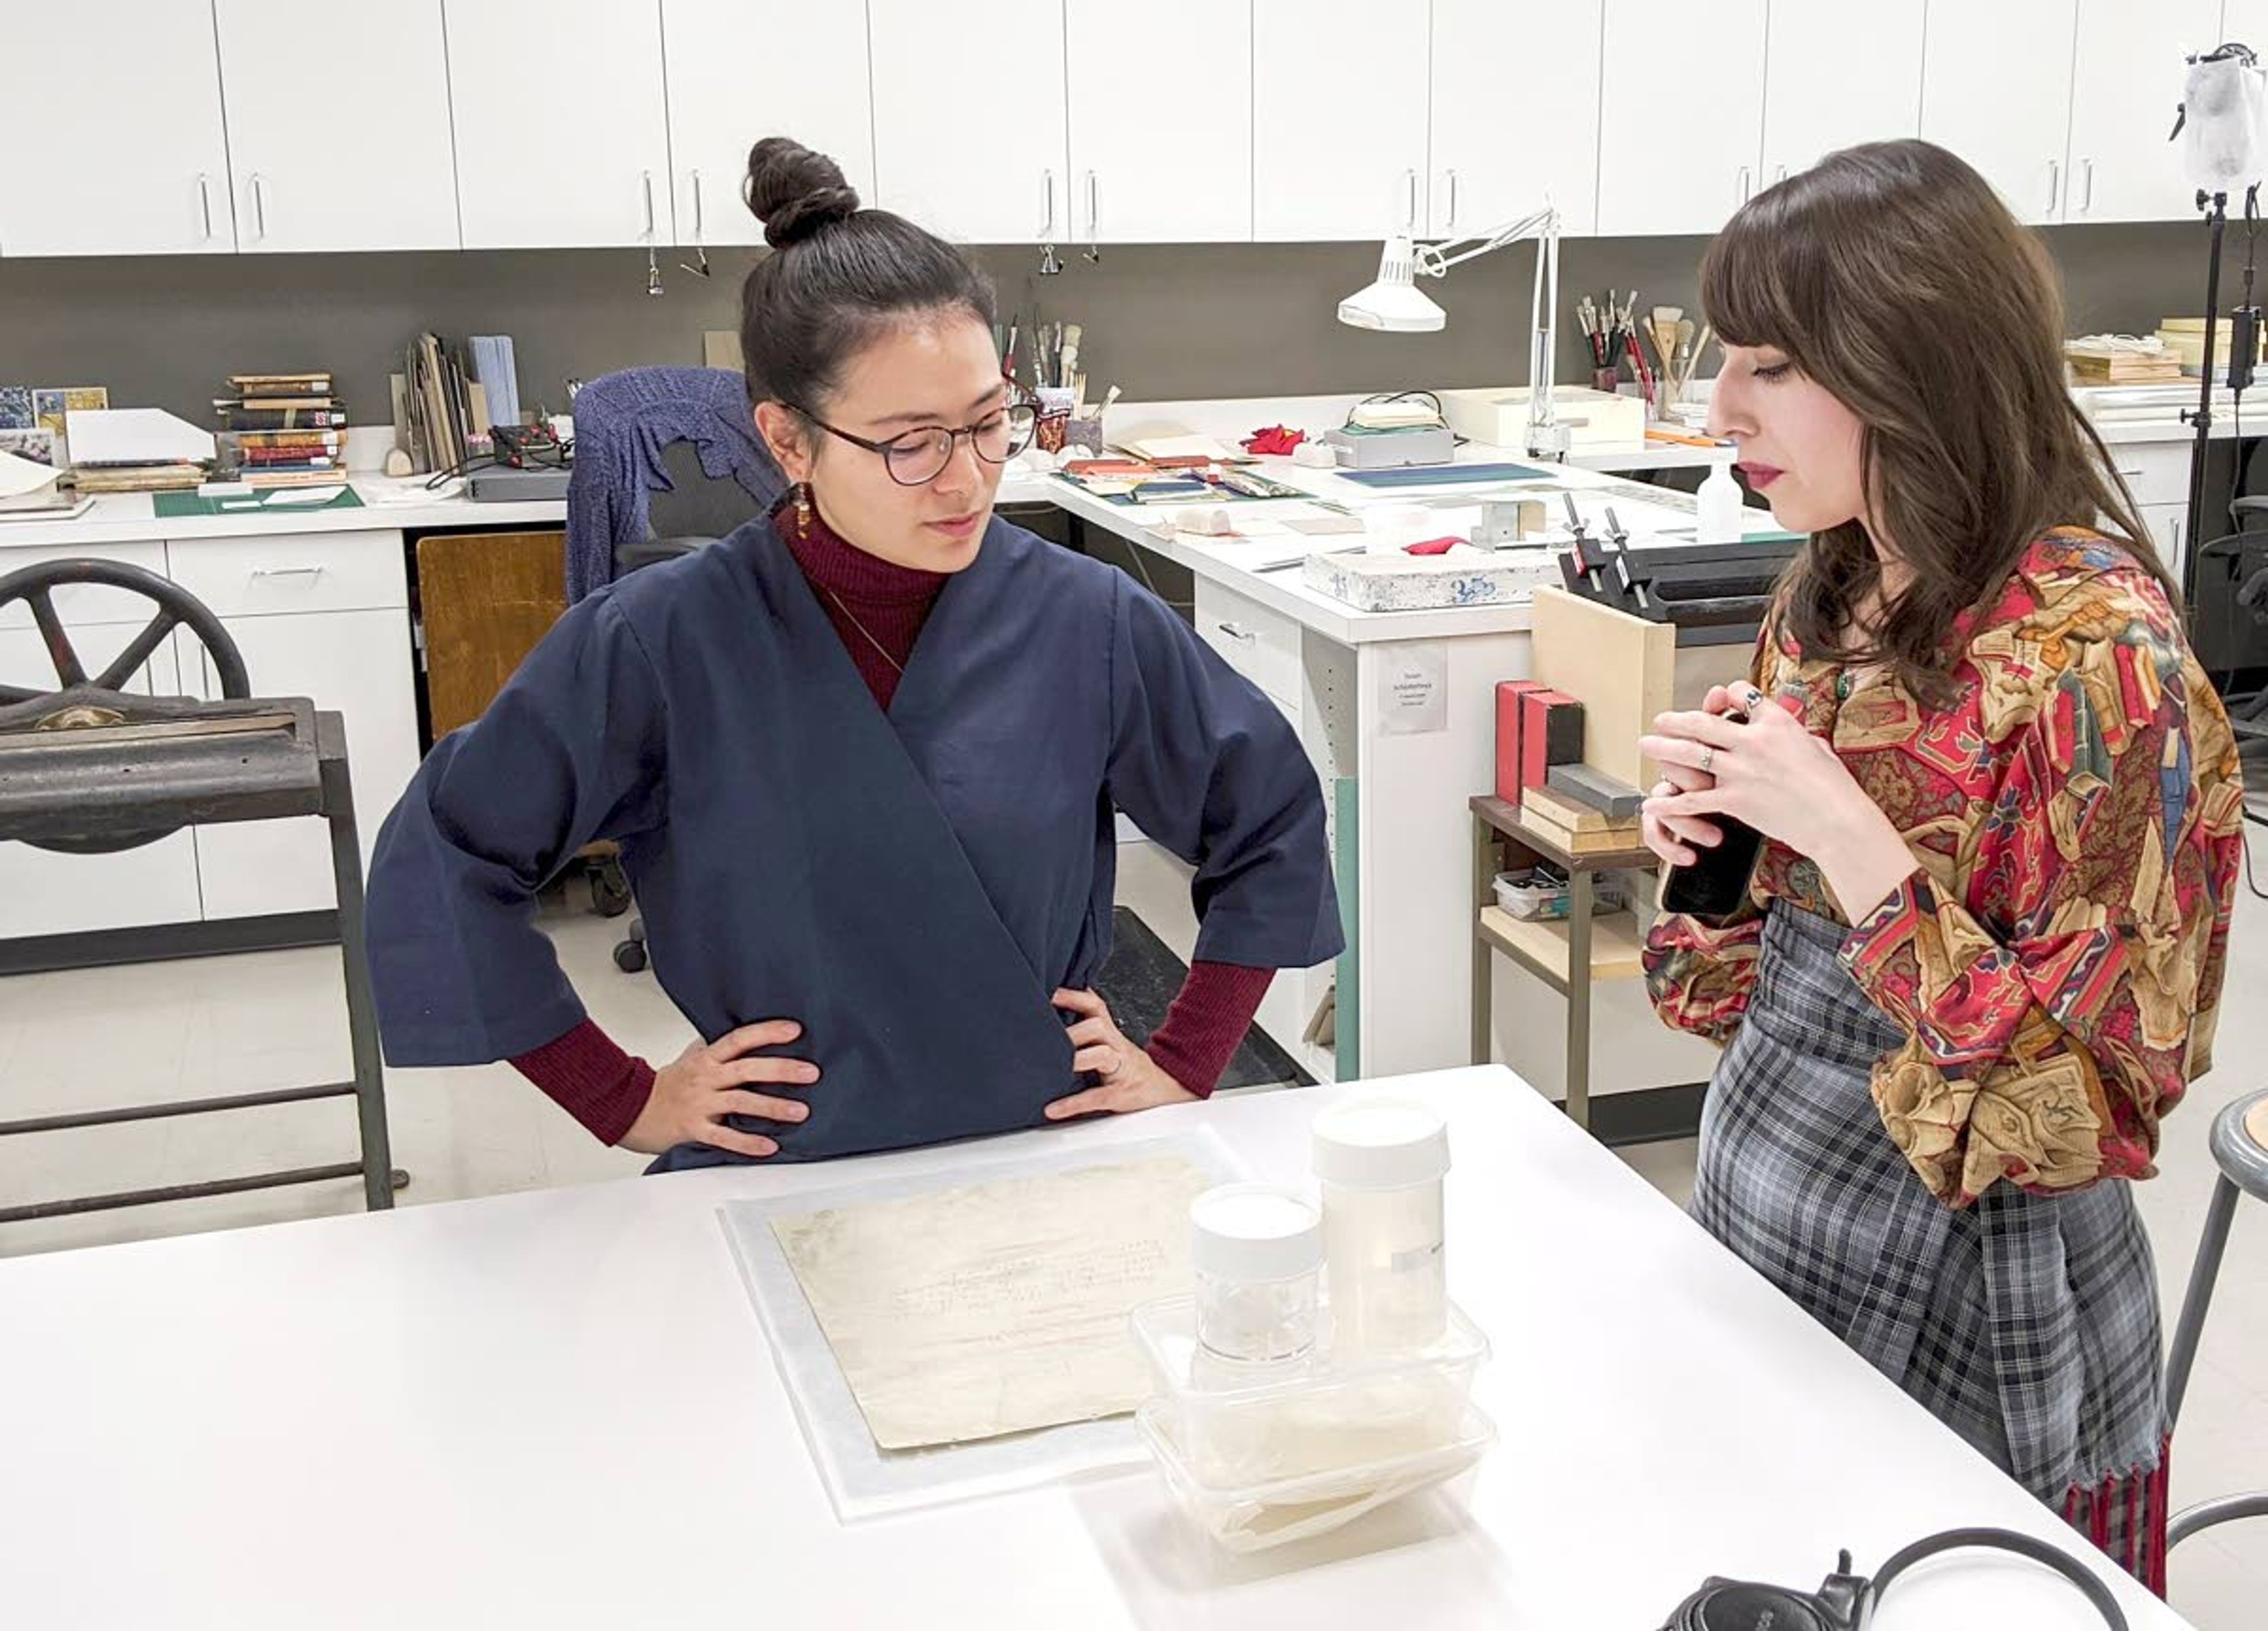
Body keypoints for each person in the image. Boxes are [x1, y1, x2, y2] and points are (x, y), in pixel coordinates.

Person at [366, 138, 1341, 1170]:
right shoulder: (662, 641)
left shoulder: (1086, 618)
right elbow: (449, 849)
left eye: (988, 424)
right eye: (911, 443)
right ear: (788, 442)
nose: (966, 480)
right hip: (780, 1162)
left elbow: (1268, 813)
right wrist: (621, 1097)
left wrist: (1187, 1058)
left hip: (1049, 1146)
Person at [1636, 140, 2242, 1590]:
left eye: (1770, 365)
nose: (1717, 407)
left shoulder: (2103, 666)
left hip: (1972, 1281)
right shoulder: (1830, 588)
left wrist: (1849, 840)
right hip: (1770, 1207)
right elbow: (1727, 1002)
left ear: (1909, 365)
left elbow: (2084, 1122)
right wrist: (1707, 863)